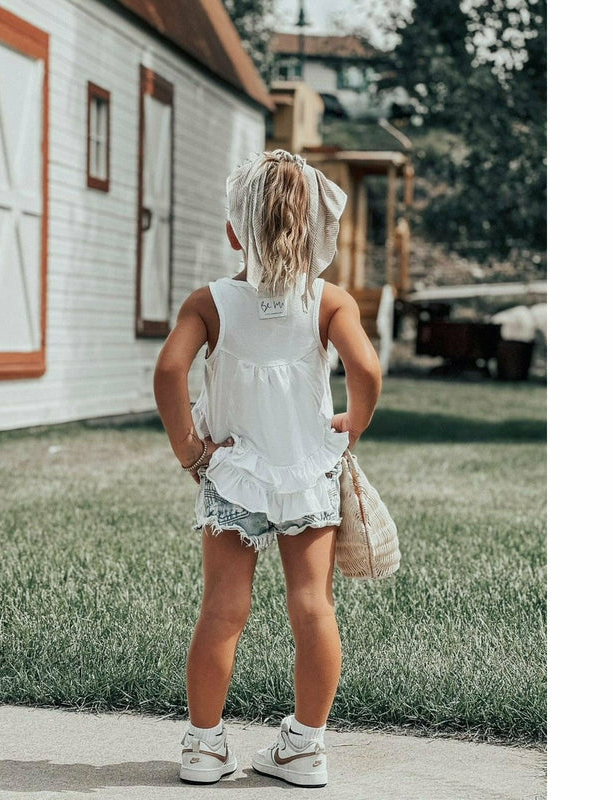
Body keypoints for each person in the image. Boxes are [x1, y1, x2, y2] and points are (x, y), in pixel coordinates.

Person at [153, 149, 382, 788]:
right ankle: (305, 751)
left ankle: (203, 748)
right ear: (315, 230)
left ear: (235, 230)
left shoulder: (211, 302)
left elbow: (169, 370)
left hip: (233, 472)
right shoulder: (330, 302)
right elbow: (366, 370)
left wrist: (189, 450)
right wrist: (353, 422)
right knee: (313, 606)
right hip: (308, 473)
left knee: (223, 607)